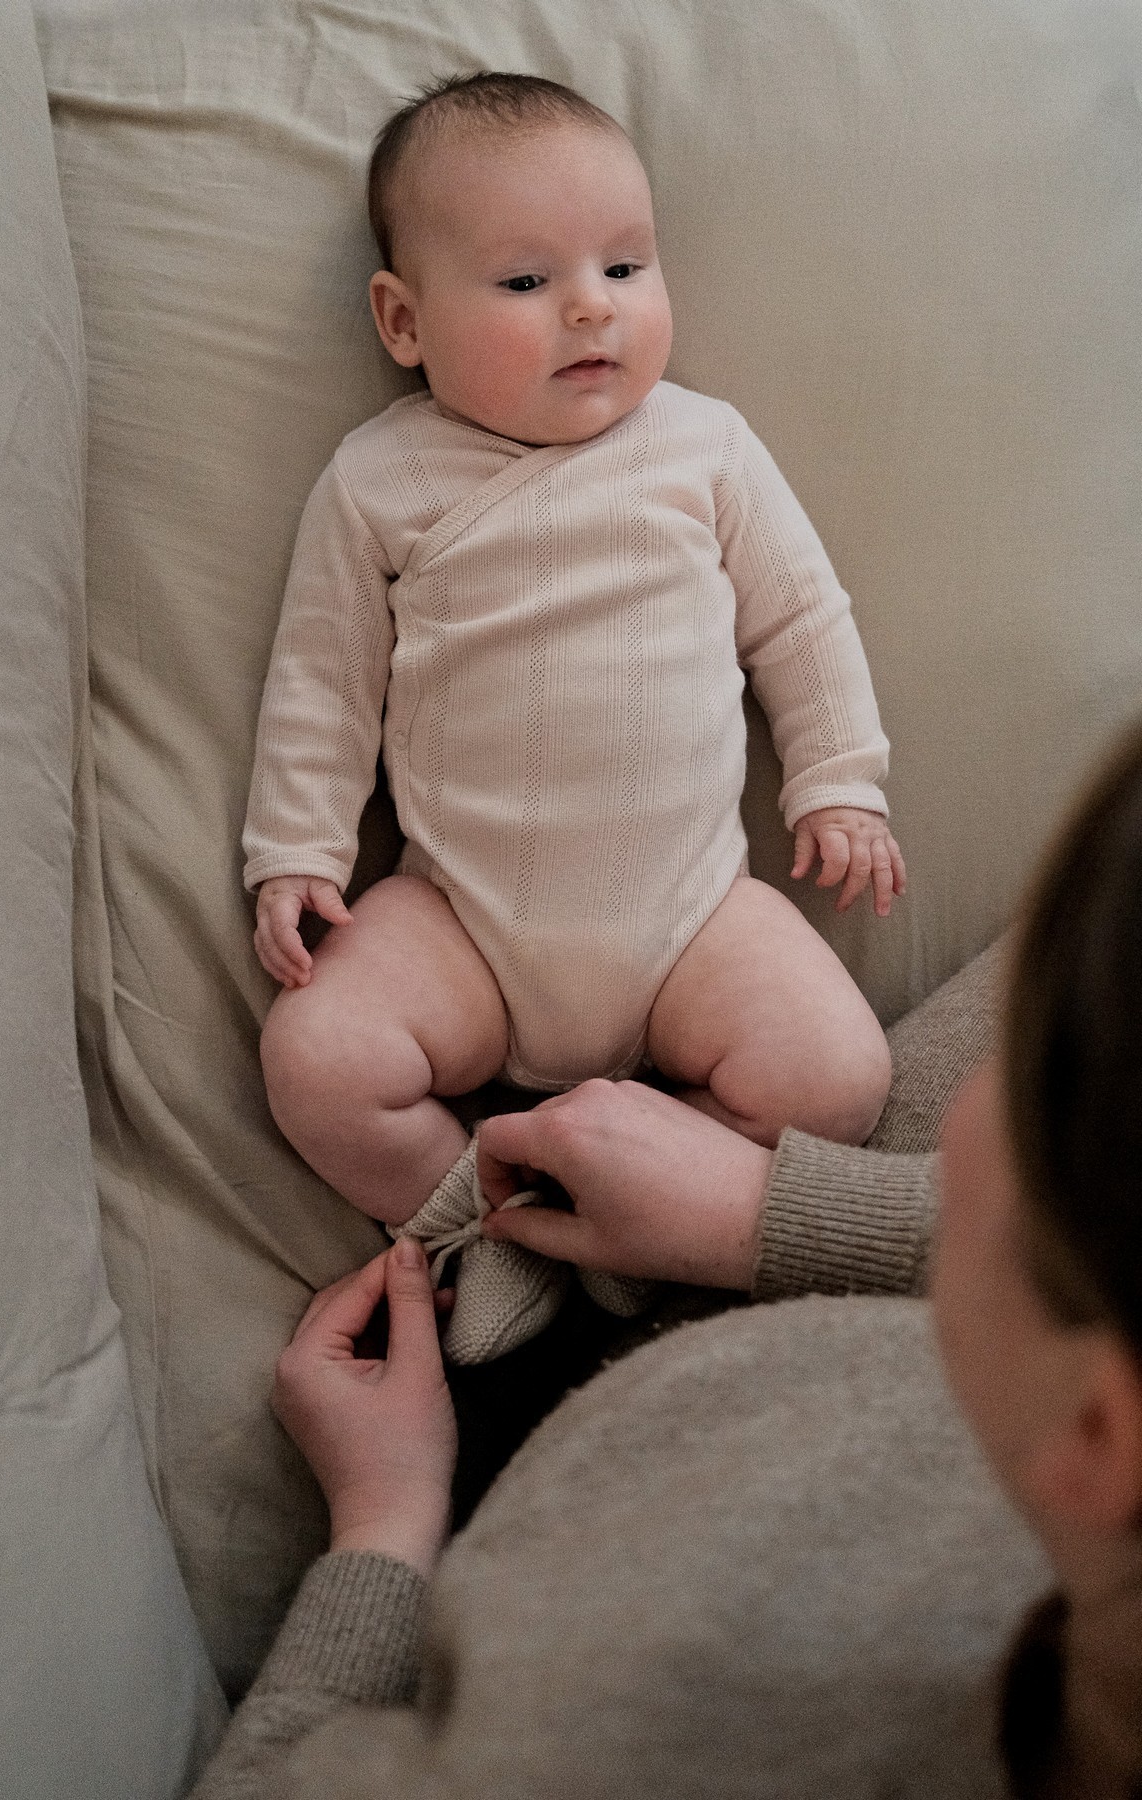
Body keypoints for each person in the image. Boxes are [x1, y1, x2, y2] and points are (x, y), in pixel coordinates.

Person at [194, 722, 1142, 1799]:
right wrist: (773, 1213)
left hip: (495, 1430)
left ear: (1097, 1435)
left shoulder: (627, 1728)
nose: (984, 1104)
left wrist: (383, 1530)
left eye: (1021, 1096)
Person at [241, 72, 905, 1362]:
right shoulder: (379, 481)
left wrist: (839, 778)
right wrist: (298, 851)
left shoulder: (703, 446)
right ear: (403, 321)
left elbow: (801, 619)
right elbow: (321, 681)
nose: (593, 304)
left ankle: (641, 1209)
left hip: (691, 914)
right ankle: (485, 1222)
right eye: (525, 281)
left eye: (625, 265)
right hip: (463, 920)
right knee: (317, 1059)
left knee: (839, 1079)